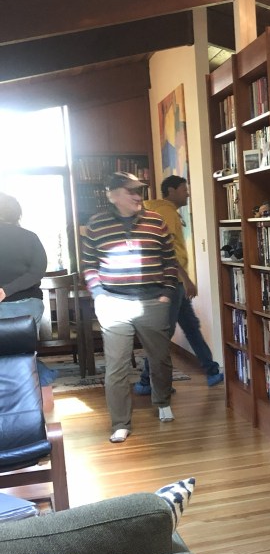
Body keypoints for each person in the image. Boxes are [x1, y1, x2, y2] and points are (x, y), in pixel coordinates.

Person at [81, 171, 179, 443]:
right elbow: (89, 264)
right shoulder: (96, 224)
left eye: (140, 190)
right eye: (131, 191)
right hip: (113, 302)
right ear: (112, 195)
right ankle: (120, 422)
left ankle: (162, 402)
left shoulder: (156, 221)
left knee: (160, 358)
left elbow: (169, 260)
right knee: (116, 366)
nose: (138, 196)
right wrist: (98, 294)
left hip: (152, 301)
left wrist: (168, 291)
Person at [134, 173, 223, 393]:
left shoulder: (160, 210)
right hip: (171, 281)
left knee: (191, 327)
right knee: (164, 334)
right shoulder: (166, 212)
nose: (188, 193)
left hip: (168, 281)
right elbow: (168, 250)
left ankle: (211, 371)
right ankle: (147, 381)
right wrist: (185, 278)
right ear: (171, 191)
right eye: (184, 190)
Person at [0, 192, 59, 387]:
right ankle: (40, 382)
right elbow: (37, 272)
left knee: (6, 354)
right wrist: (7, 290)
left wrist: (4, 291)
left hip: (4, 307)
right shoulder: (31, 237)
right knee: (21, 351)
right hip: (28, 306)